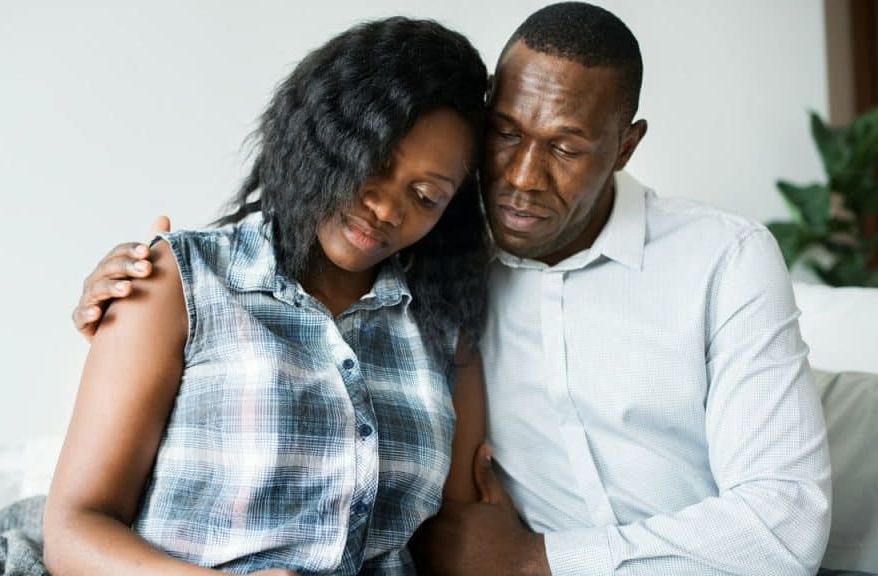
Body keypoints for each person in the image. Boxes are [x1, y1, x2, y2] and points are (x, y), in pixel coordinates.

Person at [75, 3, 833, 575]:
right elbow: (79, 517)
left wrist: (539, 560)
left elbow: (787, 519)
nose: (524, 179)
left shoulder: (718, 260)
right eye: (506, 134)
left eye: (566, 147)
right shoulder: (410, 262)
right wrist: (134, 285)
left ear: (626, 144)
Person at [44, 17, 492, 576]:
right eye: (373, 165)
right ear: (327, 138)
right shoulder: (178, 279)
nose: (386, 208)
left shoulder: (445, 332)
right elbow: (74, 529)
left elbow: (457, 542)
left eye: (425, 196)